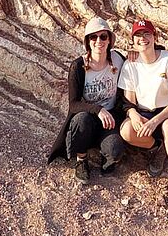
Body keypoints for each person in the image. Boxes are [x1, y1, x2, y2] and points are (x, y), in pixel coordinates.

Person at [119, 19, 168, 224]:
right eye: (138, 35)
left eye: (147, 34)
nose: (143, 39)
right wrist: (134, 116)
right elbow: (128, 102)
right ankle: (160, 148)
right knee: (127, 131)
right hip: (146, 113)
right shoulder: (130, 64)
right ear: (133, 41)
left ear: (155, 37)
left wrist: (154, 123)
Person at [46, 16, 127, 184]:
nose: (99, 41)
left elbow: (144, 59)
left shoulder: (118, 59)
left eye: (103, 36)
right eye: (93, 37)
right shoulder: (79, 66)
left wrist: (139, 53)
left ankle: (105, 156)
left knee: (115, 150)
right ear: (87, 41)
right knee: (80, 120)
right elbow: (74, 104)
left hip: (110, 118)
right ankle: (81, 160)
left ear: (110, 40)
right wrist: (98, 110)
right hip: (89, 116)